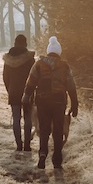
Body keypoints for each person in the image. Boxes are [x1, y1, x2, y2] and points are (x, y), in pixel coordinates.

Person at [23, 34, 78, 171]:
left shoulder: (39, 65)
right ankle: (57, 160)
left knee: (44, 129)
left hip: (42, 101)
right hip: (59, 102)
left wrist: (26, 96)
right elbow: (71, 86)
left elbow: (31, 82)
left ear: (48, 51)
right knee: (58, 131)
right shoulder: (64, 66)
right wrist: (75, 103)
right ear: (59, 52)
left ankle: (42, 154)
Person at [1, 33, 36, 151]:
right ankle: (27, 145)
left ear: (15, 43)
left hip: (14, 92)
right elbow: (35, 77)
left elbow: (5, 78)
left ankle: (18, 145)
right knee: (27, 118)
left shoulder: (8, 60)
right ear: (25, 43)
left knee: (16, 118)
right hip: (28, 91)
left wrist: (9, 89)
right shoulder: (30, 59)